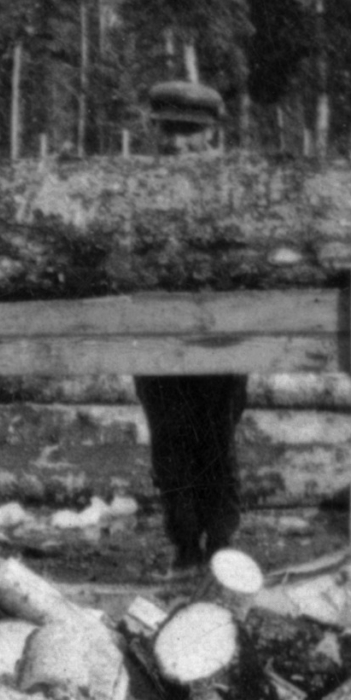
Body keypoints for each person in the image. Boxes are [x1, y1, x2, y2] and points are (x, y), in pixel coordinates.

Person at [131, 77, 247, 570]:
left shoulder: (235, 192)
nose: (178, 143)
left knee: (216, 435)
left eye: (189, 132)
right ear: (155, 133)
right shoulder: (136, 191)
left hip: (222, 334)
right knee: (168, 437)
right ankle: (183, 542)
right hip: (156, 333)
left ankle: (220, 542)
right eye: (170, 131)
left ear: (212, 136)